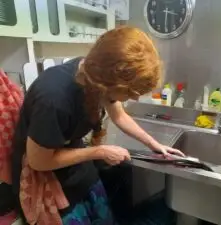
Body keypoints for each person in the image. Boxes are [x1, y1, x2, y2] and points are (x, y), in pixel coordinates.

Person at [11, 26, 184, 224]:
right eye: (129, 93)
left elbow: (119, 115)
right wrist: (99, 152)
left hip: (77, 166)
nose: (134, 97)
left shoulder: (93, 74)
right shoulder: (53, 99)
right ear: (107, 82)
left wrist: (154, 144)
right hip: (48, 179)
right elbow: (38, 161)